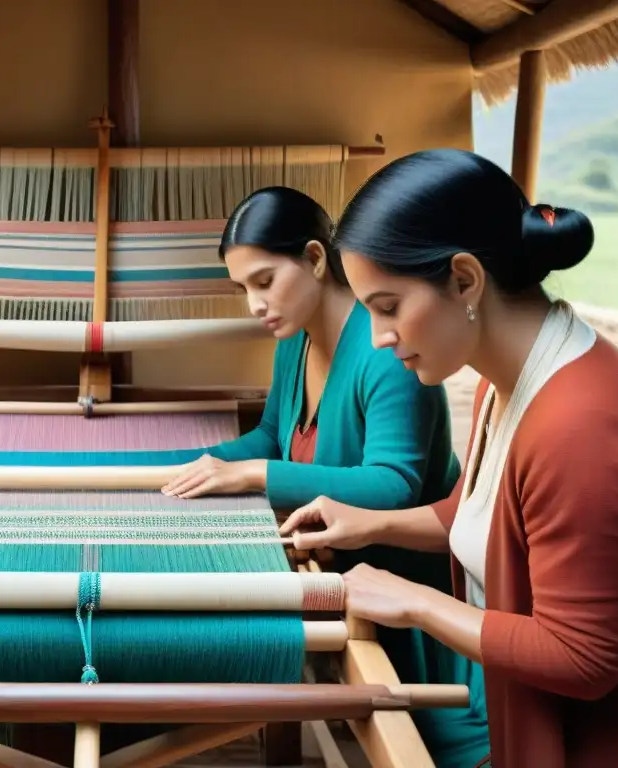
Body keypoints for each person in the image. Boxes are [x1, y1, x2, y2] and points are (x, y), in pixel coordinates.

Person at [280, 148, 618, 767]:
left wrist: (416, 602)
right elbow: (489, 514)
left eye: (388, 307)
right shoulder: (506, 379)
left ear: (464, 279)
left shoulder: (579, 427)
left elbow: (582, 657)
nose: (377, 338)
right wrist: (369, 523)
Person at [161, 186, 490, 767]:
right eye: (243, 290)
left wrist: (254, 475)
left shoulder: (388, 350)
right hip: (346, 575)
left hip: (414, 596)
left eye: (264, 282)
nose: (254, 304)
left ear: (315, 258)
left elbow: (394, 483)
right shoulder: (297, 340)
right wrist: (194, 465)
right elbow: (270, 437)